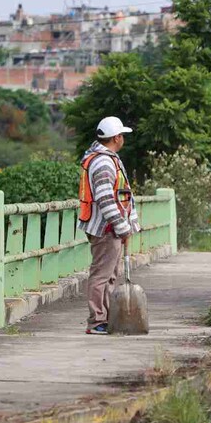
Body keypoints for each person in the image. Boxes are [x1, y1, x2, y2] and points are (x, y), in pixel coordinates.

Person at [78, 116, 140, 335]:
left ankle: (106, 317)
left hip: (111, 227)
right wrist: (122, 227)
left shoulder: (107, 158)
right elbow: (105, 200)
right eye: (122, 135)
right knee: (102, 275)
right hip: (107, 229)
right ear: (116, 137)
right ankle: (97, 321)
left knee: (110, 275)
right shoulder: (104, 163)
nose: (123, 139)